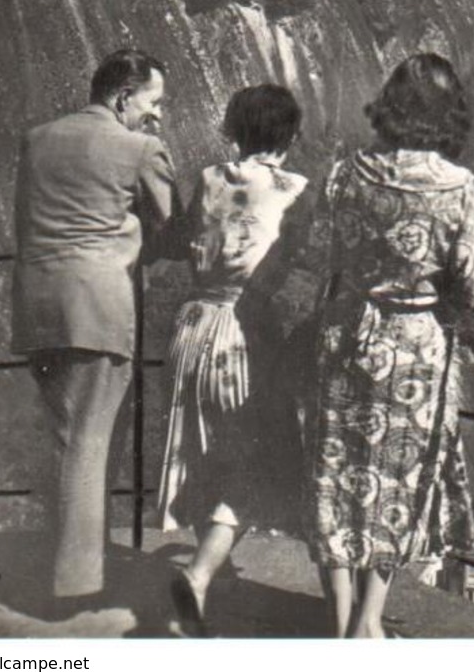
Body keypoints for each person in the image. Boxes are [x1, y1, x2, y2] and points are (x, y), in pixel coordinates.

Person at [307, 53, 474, 638]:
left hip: (345, 334)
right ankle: (368, 623)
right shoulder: (458, 188)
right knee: (400, 478)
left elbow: (322, 252)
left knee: (336, 475)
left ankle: (340, 625)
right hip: (416, 348)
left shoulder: (345, 173)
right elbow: (472, 284)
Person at [11, 49, 178, 612]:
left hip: (38, 307)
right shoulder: (140, 149)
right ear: (124, 96)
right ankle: (73, 589)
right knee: (88, 443)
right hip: (97, 309)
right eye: (153, 102)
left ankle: (61, 567)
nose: (156, 115)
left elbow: (26, 223)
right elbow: (172, 228)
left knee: (64, 436)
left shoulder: (38, 139)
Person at [158, 85, 312, 636]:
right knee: (264, 463)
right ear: (291, 135)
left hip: (192, 323)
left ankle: (210, 578)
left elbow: (182, 237)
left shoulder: (208, 178)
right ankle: (198, 579)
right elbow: (296, 255)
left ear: (234, 129)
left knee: (203, 450)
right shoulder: (296, 190)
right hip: (245, 332)